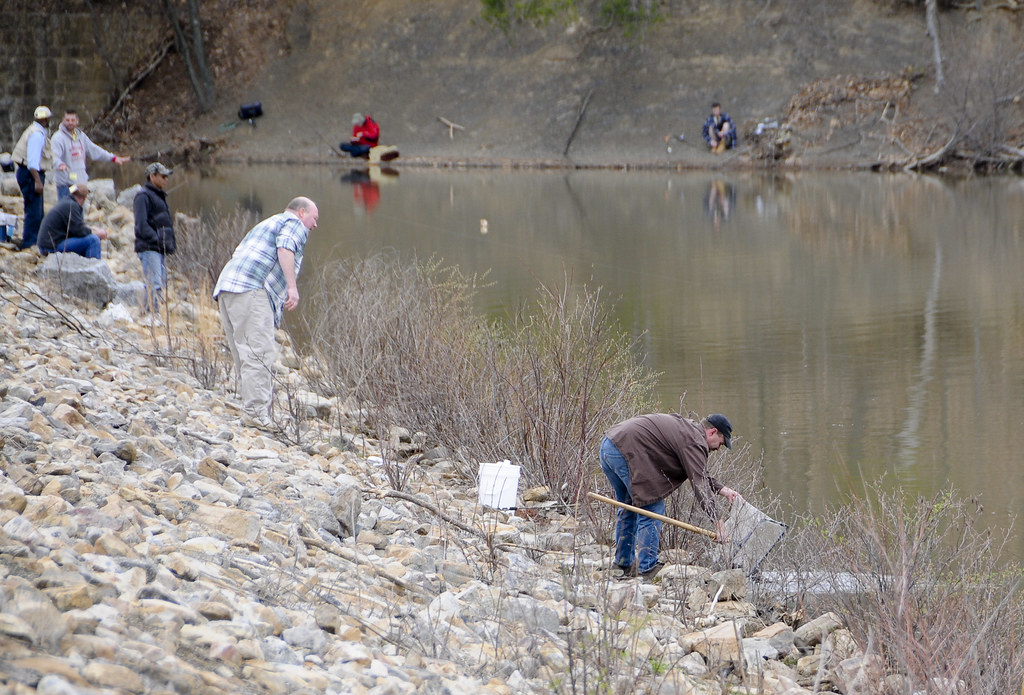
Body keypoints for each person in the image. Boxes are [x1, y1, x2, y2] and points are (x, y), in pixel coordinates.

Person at [213, 197, 320, 430]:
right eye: (314, 218)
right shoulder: (294, 224)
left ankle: (250, 408)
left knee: (244, 352)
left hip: (227, 288)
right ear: (302, 212)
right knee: (259, 352)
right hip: (253, 288)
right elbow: (285, 248)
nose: (315, 225)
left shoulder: (268, 223)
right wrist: (292, 287)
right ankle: (256, 413)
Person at [599, 412, 743, 579]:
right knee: (653, 507)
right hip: (624, 452)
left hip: (609, 446)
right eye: (721, 443)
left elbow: (698, 472)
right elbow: (700, 484)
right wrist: (719, 524)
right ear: (712, 432)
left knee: (628, 506)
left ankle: (623, 564)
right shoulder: (694, 441)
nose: (719, 448)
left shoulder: (689, 431)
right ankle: (647, 569)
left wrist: (722, 490)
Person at [51, 109, 130, 200]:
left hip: (80, 182)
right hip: (66, 184)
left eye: (73, 120)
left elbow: (94, 150)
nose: (70, 123)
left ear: (77, 121)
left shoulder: (81, 136)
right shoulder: (58, 138)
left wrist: (113, 158)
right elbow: (53, 156)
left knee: (80, 210)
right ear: (63, 121)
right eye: (67, 120)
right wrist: (60, 164)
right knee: (66, 210)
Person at [133, 162, 176, 316]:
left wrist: (166, 243)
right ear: (152, 176)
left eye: (167, 177)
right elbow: (141, 225)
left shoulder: (157, 196)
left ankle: (150, 314)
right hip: (150, 247)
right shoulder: (143, 196)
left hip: (158, 248)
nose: (166, 180)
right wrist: (157, 239)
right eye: (163, 176)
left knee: (160, 283)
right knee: (154, 283)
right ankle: (150, 316)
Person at [12, 105, 53, 250]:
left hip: (26, 172)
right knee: (35, 211)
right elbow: (33, 162)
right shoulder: (37, 135)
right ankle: (31, 243)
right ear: (47, 119)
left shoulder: (32, 130)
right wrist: (38, 181)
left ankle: (33, 241)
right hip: (31, 174)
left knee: (33, 208)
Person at [37, 183, 108, 258]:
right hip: (52, 246)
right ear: (84, 198)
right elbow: (79, 231)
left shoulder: (66, 202)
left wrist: (92, 229)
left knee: (89, 239)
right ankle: (93, 268)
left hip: (49, 244)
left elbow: (76, 227)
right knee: (93, 240)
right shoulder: (72, 206)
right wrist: (97, 233)